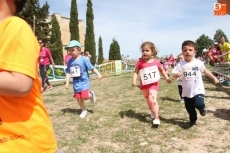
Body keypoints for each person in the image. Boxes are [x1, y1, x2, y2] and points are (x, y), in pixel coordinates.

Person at [0, 0, 59, 152]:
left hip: (24, 144)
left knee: (42, 76)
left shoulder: (14, 26)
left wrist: (51, 63)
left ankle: (46, 84)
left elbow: (20, 83)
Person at [172, 40, 219, 126]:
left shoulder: (198, 62)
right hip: (186, 92)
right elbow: (174, 75)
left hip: (198, 89)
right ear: (182, 52)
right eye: (185, 50)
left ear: (195, 52)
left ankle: (202, 108)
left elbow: (205, 71)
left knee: (198, 103)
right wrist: (176, 75)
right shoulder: (180, 64)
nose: (187, 52)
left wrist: (214, 77)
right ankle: (193, 119)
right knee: (189, 108)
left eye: (190, 50)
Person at [132, 41, 171, 125]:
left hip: (154, 84)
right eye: (143, 51)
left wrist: (167, 78)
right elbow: (136, 72)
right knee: (148, 100)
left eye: (147, 50)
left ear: (152, 52)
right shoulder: (140, 62)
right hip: (144, 85)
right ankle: (152, 111)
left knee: (152, 99)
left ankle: (157, 117)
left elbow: (162, 70)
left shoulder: (156, 62)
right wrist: (134, 81)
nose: (144, 52)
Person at [65, 40, 103, 118]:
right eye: (70, 50)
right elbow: (68, 72)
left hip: (84, 82)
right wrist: (67, 82)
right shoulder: (70, 61)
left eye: (73, 50)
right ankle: (83, 110)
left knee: (85, 97)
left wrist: (98, 74)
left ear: (79, 50)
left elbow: (92, 68)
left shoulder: (84, 59)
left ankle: (91, 94)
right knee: (79, 99)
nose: (71, 52)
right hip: (76, 84)